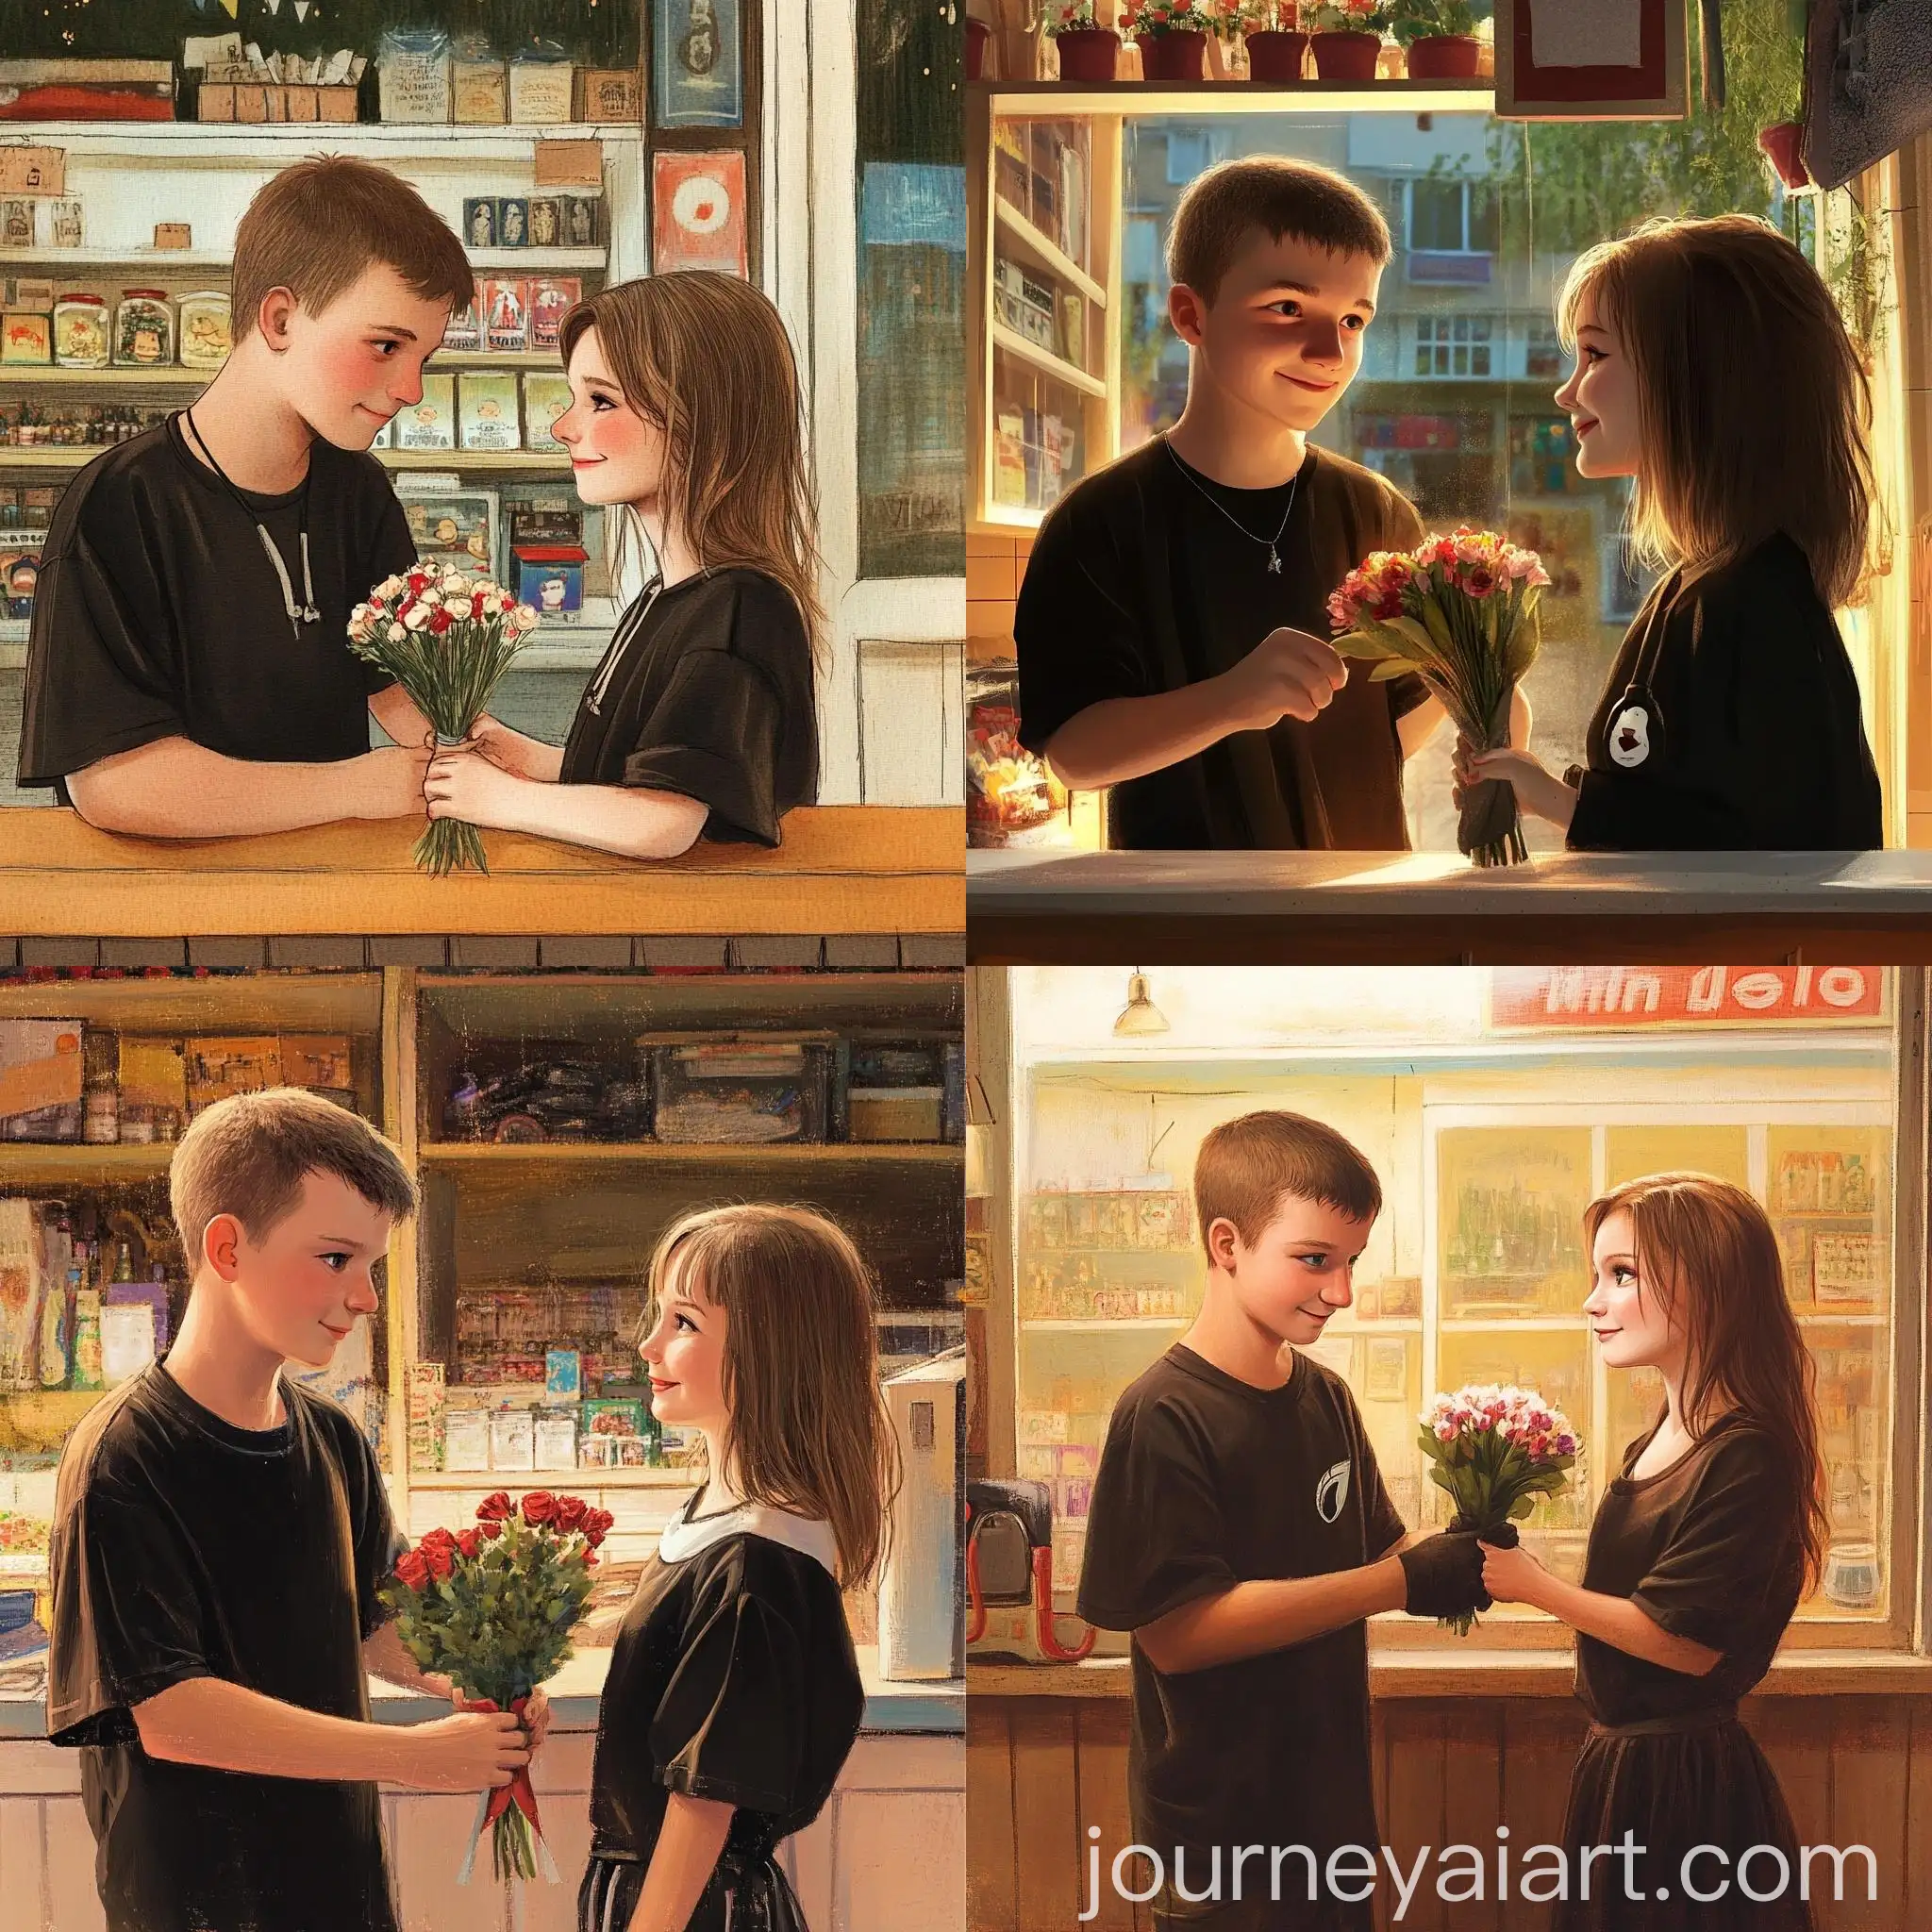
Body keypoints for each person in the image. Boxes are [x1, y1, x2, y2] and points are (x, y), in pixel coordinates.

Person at [46, 1089, 548, 1932]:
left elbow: (374, 1623)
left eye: (373, 1266)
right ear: (227, 1248)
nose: (366, 1298)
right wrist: (413, 1757)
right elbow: (170, 1713)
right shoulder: (123, 1458)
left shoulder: (334, 1438)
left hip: (339, 1886)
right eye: (335, 1259)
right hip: (198, 1904)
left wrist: (473, 1687)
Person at [1013, 157, 1522, 850]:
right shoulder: (1097, 523)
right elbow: (1074, 756)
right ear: (1191, 314)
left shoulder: (1378, 514)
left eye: (1352, 319)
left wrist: (1475, 679)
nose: (1327, 350)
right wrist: (1231, 699)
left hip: (1363, 910)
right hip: (1189, 926)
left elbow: (1384, 737)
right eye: (1287, 308)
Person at [1076, 1111, 1490, 1931]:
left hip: (1328, 1826)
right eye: (1313, 1260)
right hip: (1217, 1849)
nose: (1339, 1291)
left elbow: (1380, 1549)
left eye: (1350, 1263)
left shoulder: (1326, 1396)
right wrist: (1400, 1580)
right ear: (1227, 1244)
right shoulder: (1162, 1414)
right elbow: (1179, 1635)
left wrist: (1466, 1549)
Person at [18, 156, 472, 837]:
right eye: (385, 346)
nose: (412, 389)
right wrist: (354, 785)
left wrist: (473, 744)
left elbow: (398, 682)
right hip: (170, 912)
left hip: (330, 903)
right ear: (281, 320)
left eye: (424, 359)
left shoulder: (358, 491)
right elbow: (114, 781)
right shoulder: (118, 504)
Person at [1457, 214, 1884, 850]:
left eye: (1596, 353)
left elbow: (1771, 847)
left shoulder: (1749, 599)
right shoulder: (1709, 583)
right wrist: (1533, 780)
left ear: (1697, 376)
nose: (1565, 394)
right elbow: (1682, 798)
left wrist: (1556, 798)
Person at [1479, 1173, 1824, 1931]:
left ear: (1709, 1286)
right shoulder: (1660, 1438)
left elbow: (1686, 1641)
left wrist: (1533, 1585)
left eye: (1622, 1275)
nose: (1592, 1300)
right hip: (1625, 1772)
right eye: (1597, 1274)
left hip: (1686, 1787)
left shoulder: (1747, 1453)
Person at [423, 272, 821, 858]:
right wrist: (527, 758)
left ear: (701, 419)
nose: (563, 428)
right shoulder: (672, 596)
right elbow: (644, 770)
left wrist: (500, 800)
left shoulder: (739, 609)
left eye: (600, 401)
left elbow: (663, 820)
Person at [581, 1205, 897, 1932]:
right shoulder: (720, 1517)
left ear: (771, 1351)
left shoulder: (757, 1561)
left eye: (683, 1323)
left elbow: (704, 1803)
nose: (648, 1344)